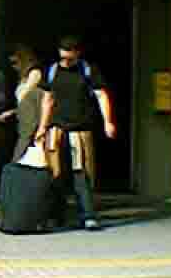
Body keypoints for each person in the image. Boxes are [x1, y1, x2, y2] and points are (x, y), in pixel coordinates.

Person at [34, 35, 118, 231]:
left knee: (82, 175)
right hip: (57, 130)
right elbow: (48, 100)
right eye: (63, 57)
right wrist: (41, 127)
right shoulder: (52, 71)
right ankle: (56, 216)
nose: (66, 62)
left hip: (80, 130)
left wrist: (108, 122)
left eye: (69, 58)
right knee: (56, 174)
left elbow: (101, 95)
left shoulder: (88, 71)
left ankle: (87, 215)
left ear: (78, 53)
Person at [0, 44, 45, 161]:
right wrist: (11, 112)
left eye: (16, 63)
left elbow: (27, 97)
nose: (15, 67)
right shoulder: (22, 77)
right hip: (23, 121)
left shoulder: (35, 73)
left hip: (33, 121)